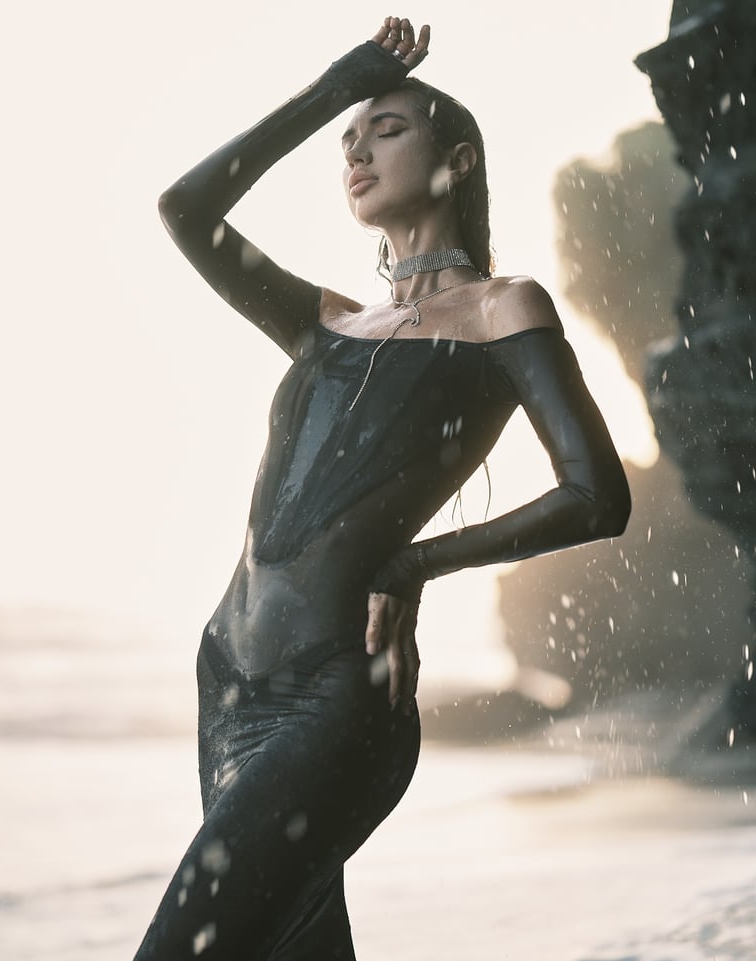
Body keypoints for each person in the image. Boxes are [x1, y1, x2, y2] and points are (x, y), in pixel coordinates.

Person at [135, 16, 631, 961]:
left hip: (336, 698)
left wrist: (413, 565)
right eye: (347, 141)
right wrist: (335, 86)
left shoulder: (502, 309)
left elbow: (596, 493)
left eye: (387, 129)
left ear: (459, 159)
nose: (356, 148)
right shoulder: (325, 322)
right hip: (228, 686)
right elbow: (185, 208)